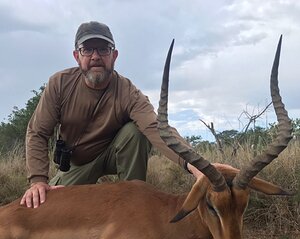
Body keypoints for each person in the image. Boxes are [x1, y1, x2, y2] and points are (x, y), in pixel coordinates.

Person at [21, 21, 198, 208]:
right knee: (48, 208)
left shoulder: (128, 91)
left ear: (114, 56)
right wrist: (38, 180)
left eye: (103, 50)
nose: (96, 56)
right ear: (76, 56)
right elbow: (37, 133)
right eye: (87, 50)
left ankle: (132, 204)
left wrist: (194, 166)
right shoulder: (59, 84)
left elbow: (157, 128)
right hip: (79, 164)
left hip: (114, 156)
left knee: (135, 132)